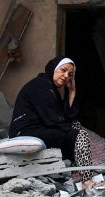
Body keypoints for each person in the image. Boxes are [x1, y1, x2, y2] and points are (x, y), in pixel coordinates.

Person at [9, 56, 98, 188]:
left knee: (75, 127)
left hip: (38, 129)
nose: (66, 76)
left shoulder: (49, 87)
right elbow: (55, 119)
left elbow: (66, 116)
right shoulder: (41, 85)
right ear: (53, 68)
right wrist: (74, 132)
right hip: (25, 131)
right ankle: (87, 180)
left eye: (70, 74)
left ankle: (77, 172)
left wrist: (72, 91)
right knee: (80, 135)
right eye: (63, 70)